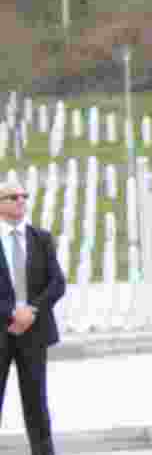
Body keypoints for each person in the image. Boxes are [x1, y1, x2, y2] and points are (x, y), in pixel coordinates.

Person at [0, 179, 66, 455]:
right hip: (1, 330)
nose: (21, 201)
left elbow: (57, 283)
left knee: (36, 403)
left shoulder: (41, 238)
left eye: (23, 196)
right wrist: (11, 313)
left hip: (33, 331)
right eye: (13, 197)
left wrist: (32, 311)